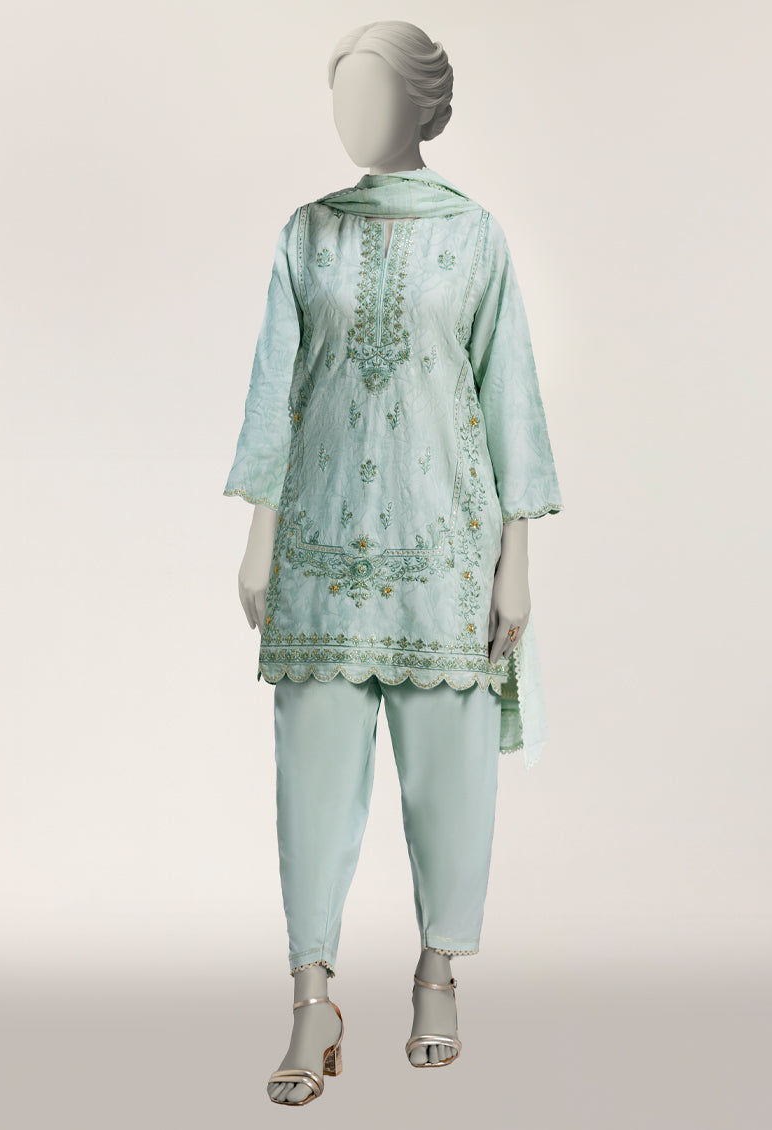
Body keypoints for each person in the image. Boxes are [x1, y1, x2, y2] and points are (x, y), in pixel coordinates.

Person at [222, 21, 564, 1106]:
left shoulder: (475, 236)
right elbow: (273, 388)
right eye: (342, 95)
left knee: (448, 777)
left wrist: (516, 560)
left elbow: (509, 396)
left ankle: (436, 972)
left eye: (372, 93)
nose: (352, 115)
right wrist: (258, 534)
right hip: (320, 545)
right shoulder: (308, 233)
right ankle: (311, 997)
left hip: (447, 546)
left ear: (426, 108)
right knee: (311, 781)